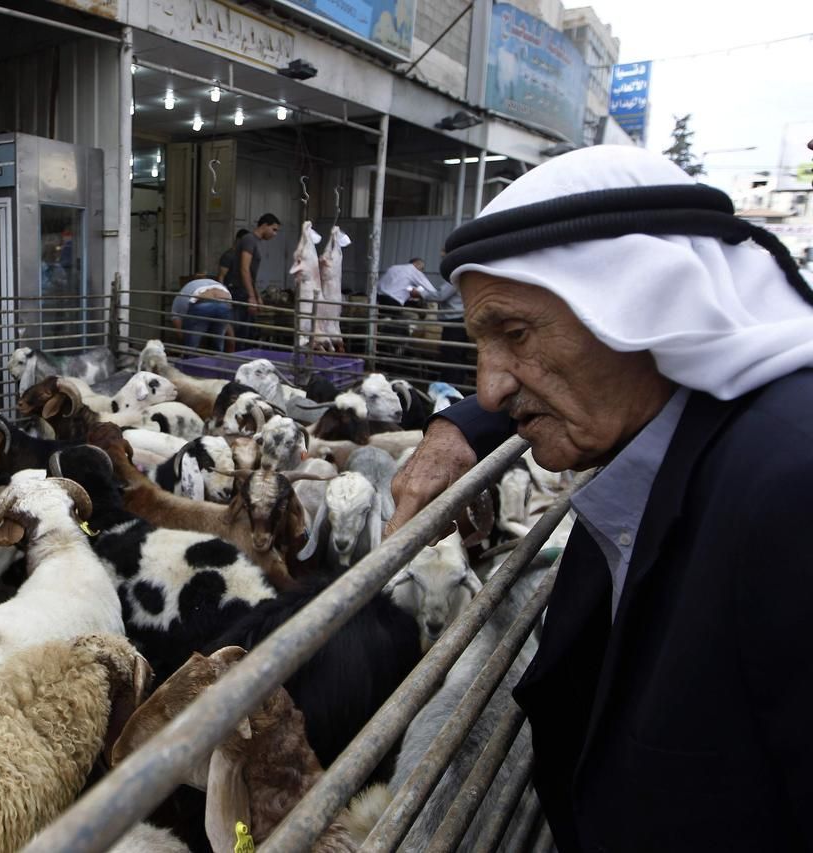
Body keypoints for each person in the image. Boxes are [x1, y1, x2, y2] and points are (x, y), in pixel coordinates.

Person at [386, 145, 813, 852]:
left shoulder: (790, 495)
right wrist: (460, 426)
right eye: (480, 345)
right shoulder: (682, 437)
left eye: (513, 333)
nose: (489, 386)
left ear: (645, 303)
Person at [223, 214, 280, 344]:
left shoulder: (256, 242)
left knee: (248, 331)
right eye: (274, 229)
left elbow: (251, 274)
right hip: (239, 290)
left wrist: (256, 294)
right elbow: (244, 268)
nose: (275, 234)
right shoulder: (249, 239)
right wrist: (251, 296)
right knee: (240, 331)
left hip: (245, 290)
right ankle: (237, 360)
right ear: (264, 225)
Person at [375, 257, 438, 357]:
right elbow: (432, 291)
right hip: (393, 302)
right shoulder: (414, 271)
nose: (422, 271)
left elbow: (380, 284)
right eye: (422, 269)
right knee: (396, 329)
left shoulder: (394, 268)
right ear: (417, 265)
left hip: (378, 299)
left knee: (379, 326)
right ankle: (393, 353)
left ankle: (378, 349)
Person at [169, 277, 233, 351]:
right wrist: (231, 349)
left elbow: (178, 326)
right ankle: (218, 357)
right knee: (218, 341)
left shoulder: (178, 300)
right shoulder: (205, 283)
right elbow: (228, 326)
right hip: (225, 298)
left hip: (202, 300)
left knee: (192, 344)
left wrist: (184, 343)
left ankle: (190, 357)